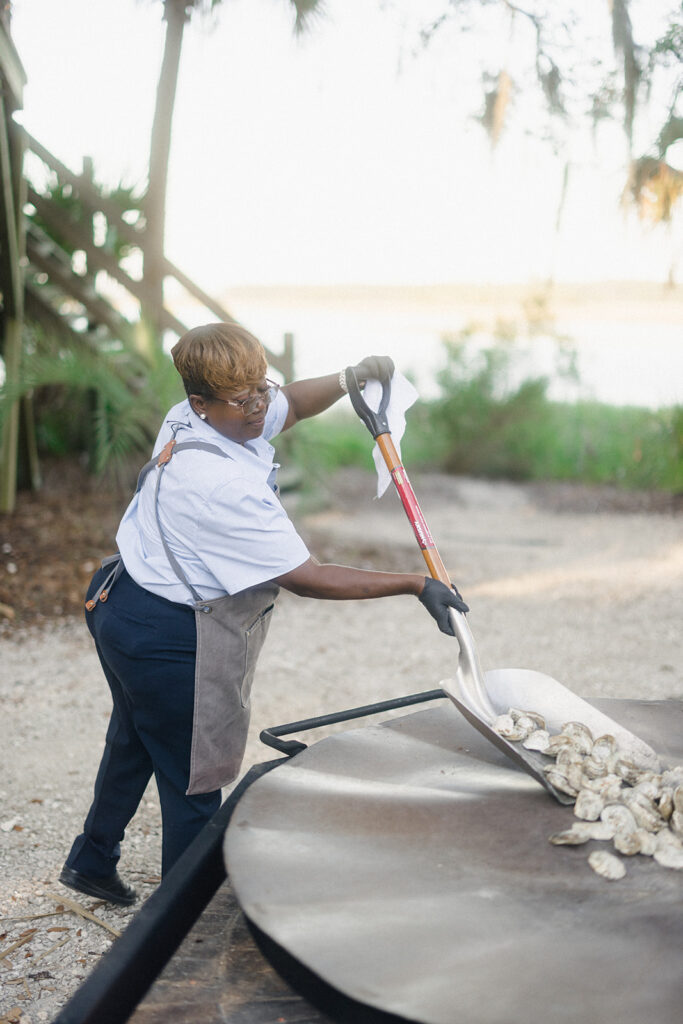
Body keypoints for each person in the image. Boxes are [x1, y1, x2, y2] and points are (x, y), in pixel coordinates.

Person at [59, 323, 467, 906]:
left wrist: (348, 379)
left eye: (260, 388)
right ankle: (180, 927)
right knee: (195, 784)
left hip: (121, 603)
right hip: (166, 634)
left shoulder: (195, 412)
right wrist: (414, 583)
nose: (258, 407)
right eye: (242, 399)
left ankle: (91, 861)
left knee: (135, 736)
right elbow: (306, 577)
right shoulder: (222, 484)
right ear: (201, 402)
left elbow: (293, 403)